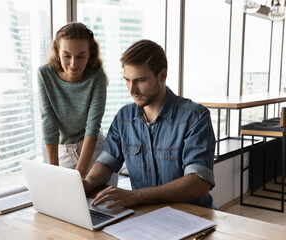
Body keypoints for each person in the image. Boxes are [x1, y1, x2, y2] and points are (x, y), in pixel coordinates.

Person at [83, 39, 215, 209]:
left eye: (140, 80)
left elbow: (199, 184)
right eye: (127, 80)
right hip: (145, 217)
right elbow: (108, 162)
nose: (131, 89)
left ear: (162, 75)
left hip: (193, 217)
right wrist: (88, 183)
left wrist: (136, 196)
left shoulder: (195, 117)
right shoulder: (124, 117)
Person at [38, 22, 117, 185]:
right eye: (67, 56)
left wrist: (79, 174)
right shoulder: (45, 75)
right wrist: (54, 172)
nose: (73, 64)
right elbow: (49, 123)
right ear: (58, 53)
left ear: (90, 55)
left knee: (101, 209)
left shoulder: (97, 77)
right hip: (63, 151)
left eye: (81, 56)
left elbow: (92, 126)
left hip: (95, 152)